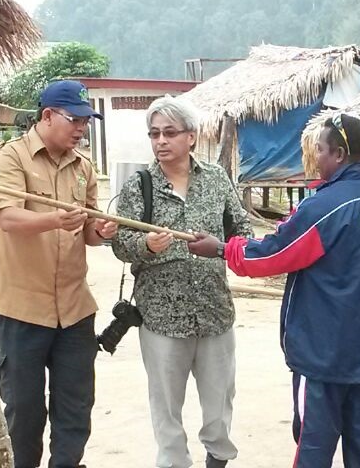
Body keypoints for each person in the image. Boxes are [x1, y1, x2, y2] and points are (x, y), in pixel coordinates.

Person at [188, 113, 360, 468]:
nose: (315, 157)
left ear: (338, 154)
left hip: (324, 357)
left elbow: (272, 255)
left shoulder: (324, 207)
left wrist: (222, 249)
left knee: (313, 450)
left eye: (319, 149)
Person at [111, 95, 252, 468]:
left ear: (191, 136)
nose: (160, 141)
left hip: (214, 311)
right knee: (166, 408)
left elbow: (243, 230)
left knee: (219, 404)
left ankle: (218, 458)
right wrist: (146, 245)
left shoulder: (217, 179)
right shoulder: (139, 184)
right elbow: (121, 244)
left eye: (169, 133)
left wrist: (223, 247)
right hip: (161, 317)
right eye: (154, 133)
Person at [0, 79, 117, 468]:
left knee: (75, 407)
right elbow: (8, 218)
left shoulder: (83, 167)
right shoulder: (10, 159)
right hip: (20, 309)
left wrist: (101, 230)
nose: (81, 128)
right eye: (74, 120)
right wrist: (55, 220)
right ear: (47, 116)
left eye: (86, 121)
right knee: (24, 412)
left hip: (74, 310)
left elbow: (88, 232)